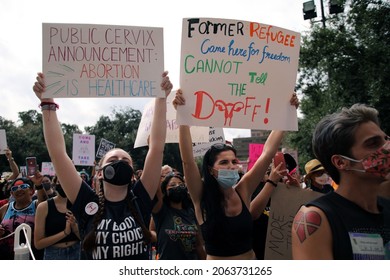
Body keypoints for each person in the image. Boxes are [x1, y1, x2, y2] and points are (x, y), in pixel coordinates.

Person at [32, 71, 173, 259]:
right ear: (99, 173)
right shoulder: (85, 200)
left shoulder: (141, 197)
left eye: (125, 161)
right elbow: (58, 154)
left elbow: (156, 148)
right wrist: (47, 104)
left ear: (132, 173)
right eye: (113, 161)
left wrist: (161, 98)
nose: (120, 164)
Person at [173, 89, 299, 260]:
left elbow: (267, 152)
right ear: (210, 169)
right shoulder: (200, 196)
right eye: (224, 162)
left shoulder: (243, 190)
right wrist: (183, 117)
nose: (231, 166)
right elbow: (187, 160)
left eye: (234, 161)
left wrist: (287, 114)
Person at [292, 103, 390, 260]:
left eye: (386, 139)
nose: (386, 148)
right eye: (373, 143)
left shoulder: (386, 207)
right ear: (341, 162)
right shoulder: (316, 219)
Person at [150, 172, 206, 260]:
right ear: (165, 190)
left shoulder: (191, 212)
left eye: (181, 184)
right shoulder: (161, 210)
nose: (177, 187)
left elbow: (198, 245)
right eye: (172, 185)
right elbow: (154, 189)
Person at [34, 178, 81, 260]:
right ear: (54, 184)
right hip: (54, 254)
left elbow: (87, 238)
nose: (65, 185)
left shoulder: (81, 204)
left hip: (77, 252)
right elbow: (38, 244)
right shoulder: (44, 207)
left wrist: (75, 227)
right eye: (61, 181)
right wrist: (65, 233)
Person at [0, 177, 45, 259]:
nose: (19, 190)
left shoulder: (38, 206)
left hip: (33, 255)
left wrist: (39, 185)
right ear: (12, 193)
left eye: (23, 187)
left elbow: (45, 202)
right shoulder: (5, 209)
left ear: (32, 191)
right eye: (15, 188)